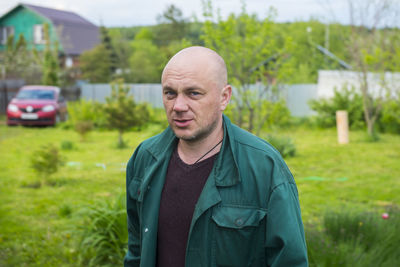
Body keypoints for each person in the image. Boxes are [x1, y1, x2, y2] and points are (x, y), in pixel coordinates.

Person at [124, 46, 308, 267]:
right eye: (170, 93)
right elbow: (136, 251)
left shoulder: (264, 168)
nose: (178, 106)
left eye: (194, 93)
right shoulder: (145, 158)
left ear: (224, 97)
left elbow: (289, 261)